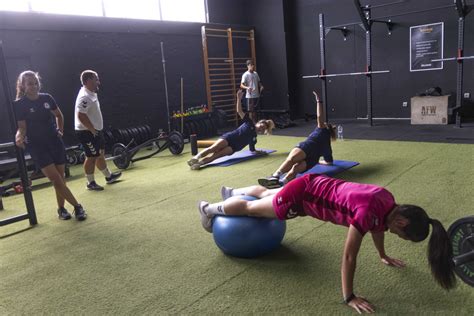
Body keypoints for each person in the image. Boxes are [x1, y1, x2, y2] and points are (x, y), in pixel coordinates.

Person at [198, 174, 456, 313]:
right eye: (401, 236)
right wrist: (349, 297)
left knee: (267, 194)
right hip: (302, 198)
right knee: (251, 209)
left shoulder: (388, 202)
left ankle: (231, 191)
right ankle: (209, 209)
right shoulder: (367, 213)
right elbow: (348, 257)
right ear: (401, 223)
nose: (395, 235)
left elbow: (378, 229)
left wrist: (383, 255)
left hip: (315, 182)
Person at [14, 71, 87, 221]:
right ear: (23, 86)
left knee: (60, 178)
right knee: (56, 179)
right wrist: (18, 137)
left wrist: (60, 130)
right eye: (29, 84)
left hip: (54, 142)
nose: (34, 86)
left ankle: (61, 209)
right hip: (37, 146)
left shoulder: (47, 98)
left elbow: (59, 115)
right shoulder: (20, 105)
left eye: (35, 83)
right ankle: (77, 206)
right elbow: (22, 128)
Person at [258, 91, 336, 189]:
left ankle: (275, 176)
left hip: (308, 147)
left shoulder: (322, 129)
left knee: (291, 160)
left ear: (326, 126)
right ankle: (282, 183)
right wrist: (320, 162)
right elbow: (329, 162)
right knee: (295, 169)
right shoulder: (327, 147)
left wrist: (319, 101)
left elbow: (319, 116)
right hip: (313, 159)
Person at [187, 89, 275, 170]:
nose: (261, 128)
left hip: (234, 147)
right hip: (229, 138)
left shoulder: (254, 138)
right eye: (261, 125)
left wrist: (260, 152)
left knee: (216, 156)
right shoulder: (249, 122)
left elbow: (252, 150)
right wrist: (238, 98)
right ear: (258, 122)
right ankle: (195, 158)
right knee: (213, 148)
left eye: (263, 128)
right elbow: (239, 111)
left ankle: (200, 164)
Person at [74, 70, 121, 191]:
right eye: (96, 79)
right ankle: (90, 183)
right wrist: (92, 130)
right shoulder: (85, 97)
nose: (98, 82)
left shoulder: (91, 93)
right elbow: (81, 115)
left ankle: (108, 177)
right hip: (86, 132)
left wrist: (96, 130)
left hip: (95, 131)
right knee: (91, 157)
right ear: (88, 81)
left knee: (100, 154)